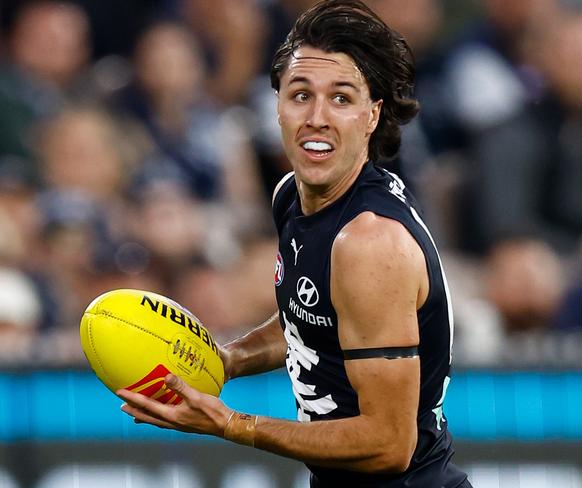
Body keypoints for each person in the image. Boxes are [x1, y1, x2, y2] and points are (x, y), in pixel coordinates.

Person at [117, 1, 471, 487]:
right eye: (300, 95)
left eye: (341, 99)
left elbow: (390, 445)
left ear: (373, 115)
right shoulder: (294, 197)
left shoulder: (369, 243)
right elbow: (311, 318)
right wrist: (229, 359)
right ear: (277, 106)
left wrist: (231, 424)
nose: (317, 118)